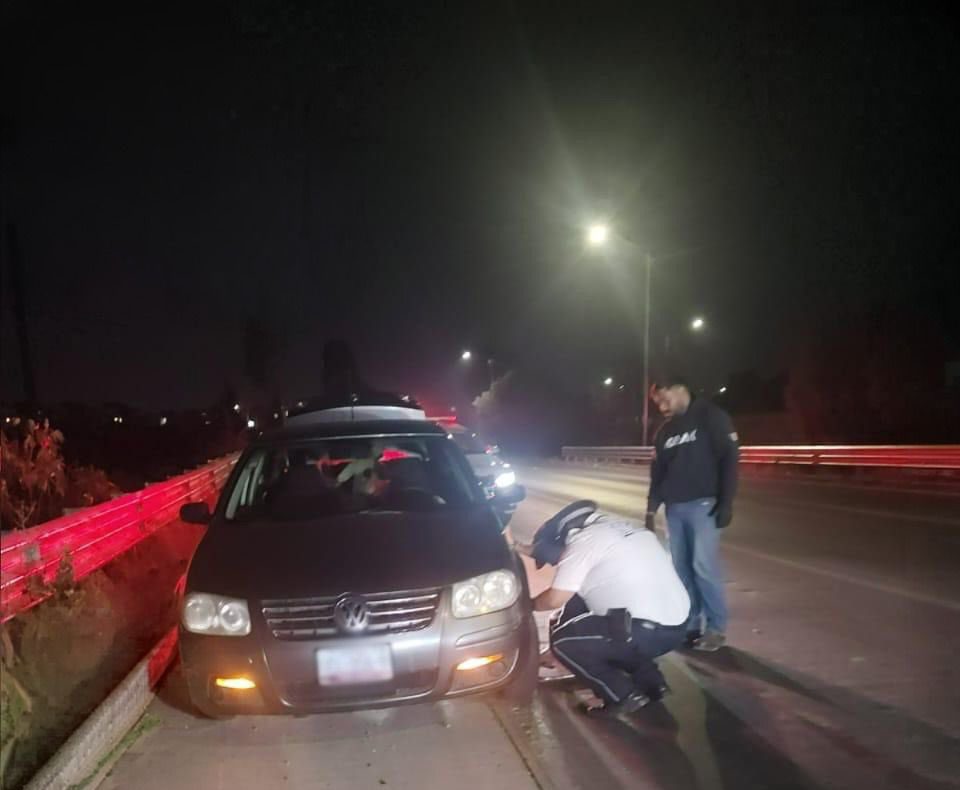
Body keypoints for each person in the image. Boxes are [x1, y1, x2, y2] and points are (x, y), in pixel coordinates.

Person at [521, 501, 690, 717]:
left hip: (644, 634)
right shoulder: (631, 531)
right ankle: (653, 683)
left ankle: (622, 695)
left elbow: (554, 600)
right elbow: (572, 603)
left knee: (565, 642)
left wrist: (527, 606)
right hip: (676, 629)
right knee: (611, 629)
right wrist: (519, 547)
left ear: (566, 534)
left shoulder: (584, 541)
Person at [646, 375, 739, 652]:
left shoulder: (711, 417)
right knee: (681, 569)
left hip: (704, 506)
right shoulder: (665, 431)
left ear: (680, 390)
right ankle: (690, 624)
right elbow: (658, 472)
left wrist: (726, 502)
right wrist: (651, 508)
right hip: (675, 509)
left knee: (703, 567)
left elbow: (730, 459)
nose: (662, 406)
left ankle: (716, 628)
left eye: (664, 399)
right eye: (657, 402)